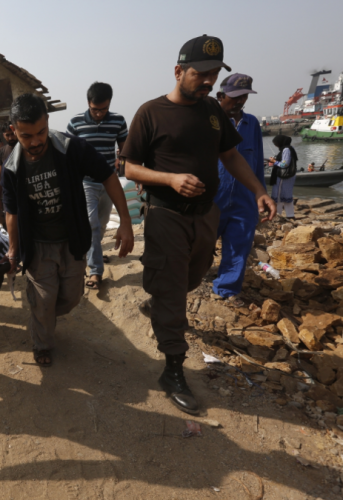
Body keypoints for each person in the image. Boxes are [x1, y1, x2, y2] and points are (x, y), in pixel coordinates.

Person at [121, 35, 276, 415]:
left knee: (192, 279)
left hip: (206, 216)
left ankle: (160, 301)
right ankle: (173, 369)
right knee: (174, 290)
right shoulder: (150, 113)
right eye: (201, 74)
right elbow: (127, 167)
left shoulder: (212, 110)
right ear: (178, 71)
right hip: (167, 216)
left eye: (213, 74)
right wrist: (170, 179)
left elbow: (230, 154)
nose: (208, 81)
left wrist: (258, 190)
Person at [2, 93, 134, 367]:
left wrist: (125, 221)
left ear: (48, 121)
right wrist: (14, 250)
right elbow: (12, 213)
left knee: (72, 297)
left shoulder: (71, 148)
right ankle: (42, 343)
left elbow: (108, 176)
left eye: (41, 132)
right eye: (27, 136)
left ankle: (44, 314)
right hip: (38, 246)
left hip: (73, 240)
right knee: (44, 299)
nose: (36, 141)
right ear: (14, 130)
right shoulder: (11, 169)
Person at [67, 82, 129, 289]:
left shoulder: (118, 121)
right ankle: (95, 271)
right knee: (92, 223)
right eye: (95, 109)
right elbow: (68, 154)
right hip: (87, 183)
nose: (99, 114)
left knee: (101, 224)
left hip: (109, 183)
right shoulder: (75, 123)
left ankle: (94, 251)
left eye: (103, 109)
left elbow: (124, 149)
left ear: (109, 103)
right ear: (88, 103)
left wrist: (127, 166)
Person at [212, 73, 265, 304]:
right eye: (234, 97)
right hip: (213, 197)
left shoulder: (251, 123)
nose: (239, 101)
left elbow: (258, 162)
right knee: (201, 244)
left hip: (244, 199)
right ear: (220, 95)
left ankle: (228, 289)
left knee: (239, 246)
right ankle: (190, 279)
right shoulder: (208, 121)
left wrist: (261, 194)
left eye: (244, 97)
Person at [0, 124, 18, 228]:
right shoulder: (2, 151)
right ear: (4, 135)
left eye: (12, 134)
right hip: (9, 192)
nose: (11, 138)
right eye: (8, 135)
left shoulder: (22, 147)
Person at [269, 134, 298, 219]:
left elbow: (284, 164)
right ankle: (290, 215)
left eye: (276, 143)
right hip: (289, 176)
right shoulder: (290, 148)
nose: (275, 145)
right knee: (287, 196)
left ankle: (277, 215)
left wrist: (274, 161)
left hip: (283, 177)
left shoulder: (286, 150)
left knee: (278, 196)